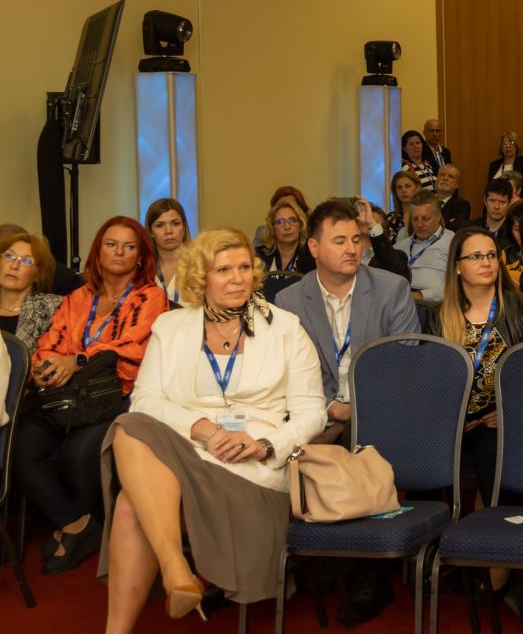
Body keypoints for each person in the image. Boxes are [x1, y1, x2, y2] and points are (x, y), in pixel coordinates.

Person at [99, 228, 326, 629]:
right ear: (200, 277)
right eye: (223, 270)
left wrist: (265, 444)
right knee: (129, 425)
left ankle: (173, 575)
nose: (238, 278)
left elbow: (312, 412)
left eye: (244, 267)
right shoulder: (171, 326)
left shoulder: (285, 327)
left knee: (131, 504)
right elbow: (145, 400)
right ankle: (175, 570)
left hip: (252, 468)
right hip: (188, 449)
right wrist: (202, 428)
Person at [16, 217, 168, 575]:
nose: (119, 252)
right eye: (111, 244)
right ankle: (77, 524)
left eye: (129, 247)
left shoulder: (150, 296)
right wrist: (43, 366)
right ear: (98, 251)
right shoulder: (78, 297)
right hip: (64, 394)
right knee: (20, 450)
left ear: (141, 256)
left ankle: (79, 528)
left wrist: (78, 360)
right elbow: (50, 341)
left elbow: (133, 347)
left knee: (78, 454)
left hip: (115, 393)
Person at [274, 199, 419, 438]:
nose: (352, 249)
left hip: (379, 417)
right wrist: (331, 407)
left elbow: (405, 366)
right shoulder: (289, 301)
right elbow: (286, 375)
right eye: (340, 241)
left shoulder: (392, 290)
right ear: (314, 248)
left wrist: (355, 412)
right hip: (315, 418)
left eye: (356, 240)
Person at [422, 227, 523, 506]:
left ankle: (498, 525)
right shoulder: (438, 316)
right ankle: (435, 525)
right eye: (476, 256)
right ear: (457, 267)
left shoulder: (521, 307)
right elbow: (432, 380)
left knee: (492, 446)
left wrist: (509, 411)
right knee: (424, 445)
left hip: (504, 416)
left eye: (491, 255)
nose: (487, 262)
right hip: (453, 419)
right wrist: (451, 418)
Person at [0, 231, 62, 353]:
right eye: (9, 256)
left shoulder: (53, 307)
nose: (14, 266)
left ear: (38, 275)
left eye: (26, 261)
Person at [394, 191, 453, 304]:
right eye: (415, 219)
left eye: (426, 218)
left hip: (434, 306)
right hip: (400, 302)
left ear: (438, 217)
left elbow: (454, 286)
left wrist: (414, 296)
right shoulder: (400, 246)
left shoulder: (452, 242)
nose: (420, 224)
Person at [145, 198, 190, 307]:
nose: (168, 231)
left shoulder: (201, 265)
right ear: (150, 232)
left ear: (184, 228)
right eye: (160, 225)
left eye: (175, 223)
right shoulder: (143, 269)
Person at [256, 195, 310, 274]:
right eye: (280, 222)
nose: (287, 227)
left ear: (301, 224)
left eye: (292, 220)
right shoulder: (259, 256)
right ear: (272, 228)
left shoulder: (311, 257)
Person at [469, 178, 517, 255]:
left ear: (510, 203)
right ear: (485, 201)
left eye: (502, 202)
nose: (496, 207)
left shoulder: (515, 235)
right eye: (492, 201)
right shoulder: (470, 229)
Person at [386, 169, 422, 240]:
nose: (403, 190)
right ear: (395, 192)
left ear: (417, 188)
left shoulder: (428, 215)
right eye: (399, 187)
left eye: (408, 186)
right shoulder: (390, 219)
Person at [435, 164, 471, 230]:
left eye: (451, 176)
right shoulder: (426, 200)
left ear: (456, 185)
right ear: (436, 179)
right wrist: (448, 223)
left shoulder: (462, 205)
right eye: (442, 175)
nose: (445, 178)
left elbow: (455, 229)